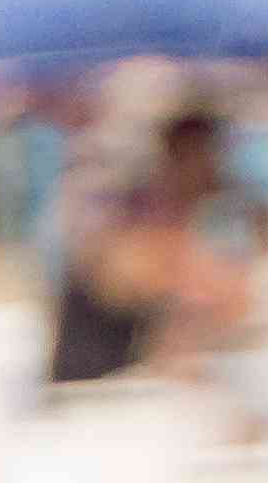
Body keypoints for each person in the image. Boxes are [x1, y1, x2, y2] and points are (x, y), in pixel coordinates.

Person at [44, 103, 247, 384]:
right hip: (95, 384)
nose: (221, 169)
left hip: (128, 379)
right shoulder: (141, 208)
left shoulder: (181, 215)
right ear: (187, 154)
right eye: (214, 156)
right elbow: (126, 278)